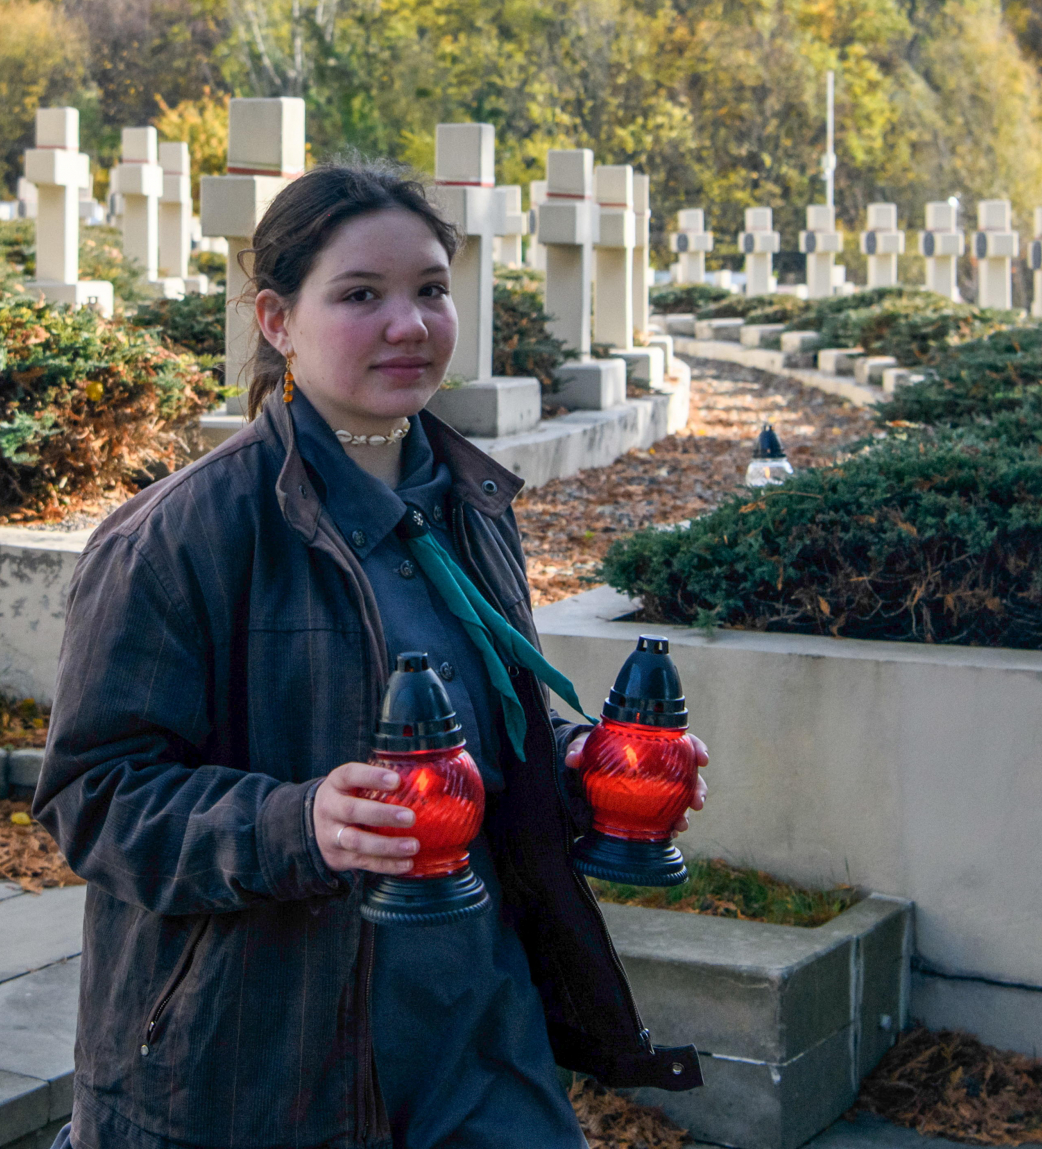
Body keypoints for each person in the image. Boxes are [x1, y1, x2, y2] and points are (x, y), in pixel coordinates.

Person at [35, 161, 708, 1149]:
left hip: (477, 1042)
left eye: (430, 289)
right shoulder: (183, 536)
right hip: (261, 1066)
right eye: (361, 295)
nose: (410, 324)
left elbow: (475, 735)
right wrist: (297, 821)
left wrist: (575, 770)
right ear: (276, 320)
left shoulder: (468, 505)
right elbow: (92, 797)